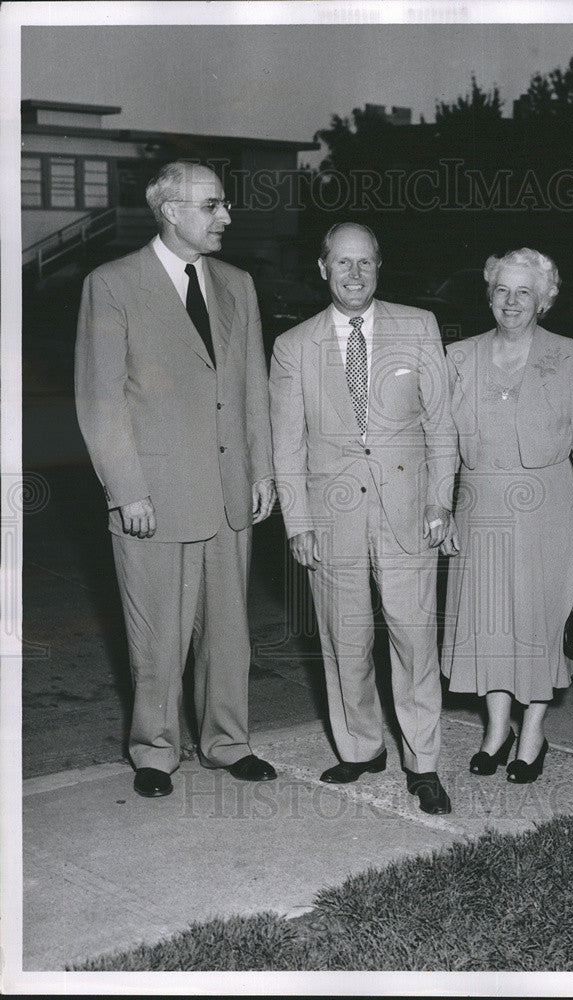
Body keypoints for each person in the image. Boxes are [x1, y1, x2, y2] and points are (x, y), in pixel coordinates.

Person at [75, 161, 276, 798]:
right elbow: (101, 400)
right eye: (213, 205)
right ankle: (154, 752)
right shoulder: (112, 284)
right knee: (156, 633)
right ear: (170, 210)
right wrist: (126, 488)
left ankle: (228, 742)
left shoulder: (238, 284)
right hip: (153, 498)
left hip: (228, 491)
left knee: (228, 634)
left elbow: (252, 390)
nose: (226, 216)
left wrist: (261, 469)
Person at [269, 222, 457, 815]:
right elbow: (286, 445)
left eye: (366, 263)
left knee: (413, 635)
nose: (354, 274)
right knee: (343, 636)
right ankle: (361, 746)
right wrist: (297, 521)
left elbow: (442, 425)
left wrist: (440, 501)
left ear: (380, 267)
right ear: (322, 268)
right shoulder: (293, 346)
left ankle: (422, 762)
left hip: (409, 511)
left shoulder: (418, 326)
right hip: (332, 517)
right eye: (343, 263)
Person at [440, 248, 573, 783]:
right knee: (489, 624)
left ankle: (533, 733)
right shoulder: (457, 357)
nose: (511, 302)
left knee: (537, 623)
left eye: (524, 292)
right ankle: (496, 729)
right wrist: (441, 505)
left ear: (544, 300)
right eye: (502, 290)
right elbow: (440, 443)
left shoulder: (571, 354)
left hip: (549, 509)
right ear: (489, 295)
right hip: (478, 506)